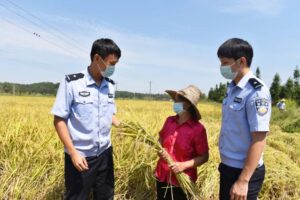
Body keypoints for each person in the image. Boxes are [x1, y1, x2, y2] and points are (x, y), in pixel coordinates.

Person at [51, 38, 121, 200]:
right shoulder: (73, 83)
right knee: (77, 197)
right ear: (97, 58)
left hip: (105, 154)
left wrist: (125, 126)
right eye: (111, 64)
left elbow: (110, 114)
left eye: (116, 64)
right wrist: (73, 152)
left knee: (105, 196)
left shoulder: (109, 85)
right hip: (81, 157)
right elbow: (59, 119)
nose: (113, 69)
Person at [217, 38, 271, 200]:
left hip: (243, 171)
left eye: (225, 63)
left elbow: (259, 139)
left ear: (241, 61)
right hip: (228, 167)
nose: (222, 68)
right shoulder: (232, 88)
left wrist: (243, 180)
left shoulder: (256, 92)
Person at [155, 85, 209, 200]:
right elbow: (159, 140)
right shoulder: (169, 121)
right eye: (174, 100)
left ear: (188, 104)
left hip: (182, 180)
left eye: (178, 101)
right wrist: (160, 149)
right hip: (162, 175)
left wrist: (183, 165)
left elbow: (204, 157)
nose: (175, 103)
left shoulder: (198, 129)